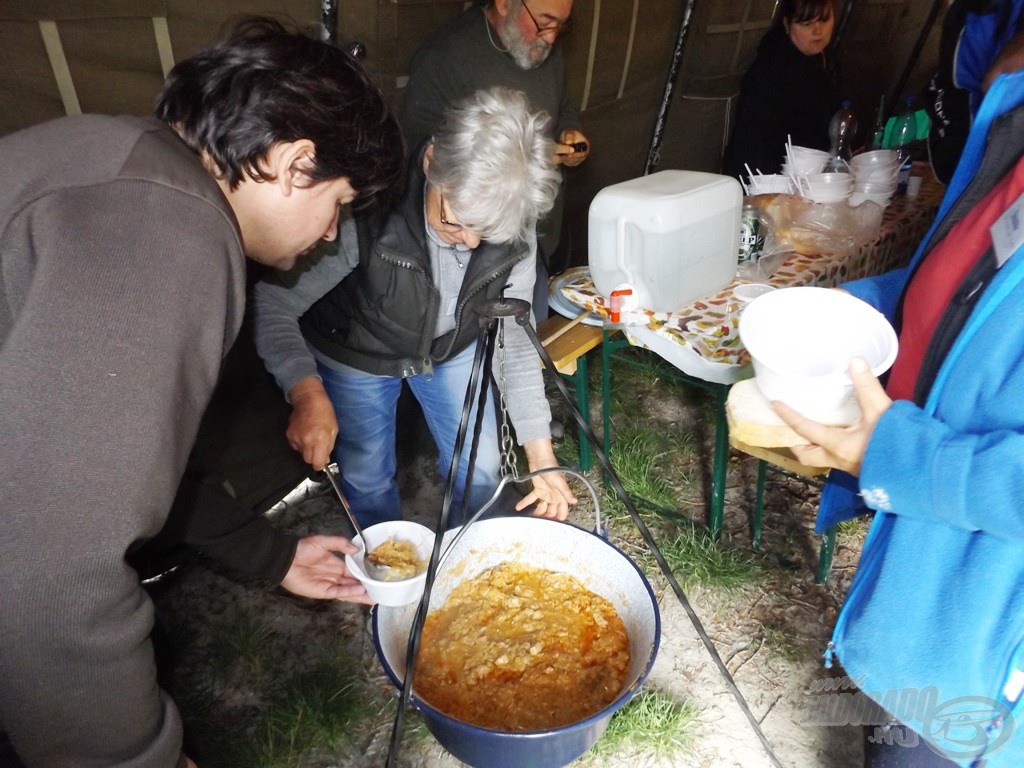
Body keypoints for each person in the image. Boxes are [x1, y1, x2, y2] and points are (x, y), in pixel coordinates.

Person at [0, 16, 404, 768]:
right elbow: (50, 573)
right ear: (293, 162)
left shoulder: (115, 159)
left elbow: (114, 468)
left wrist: (269, 553)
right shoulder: (172, 232)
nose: (327, 235)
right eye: (338, 203)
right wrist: (131, 756)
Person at [774, 69, 1024, 767]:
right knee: (879, 727)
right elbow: (949, 289)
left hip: (981, 639)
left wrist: (894, 455)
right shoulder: (1011, 118)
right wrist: (830, 317)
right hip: (916, 556)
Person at [253, 86, 578, 531]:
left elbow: (514, 341)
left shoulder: (511, 215)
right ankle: (389, 586)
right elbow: (272, 304)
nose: (470, 244)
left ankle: (472, 561)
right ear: (430, 165)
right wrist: (306, 393)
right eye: (455, 221)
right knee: (367, 477)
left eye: (488, 232)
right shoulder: (363, 207)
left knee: (482, 469)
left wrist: (541, 457)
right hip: (358, 353)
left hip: (452, 348)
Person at [401, 0, 589, 320]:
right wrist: (511, 159)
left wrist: (571, 131)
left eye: (561, 24)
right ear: (504, 4)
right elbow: (421, 150)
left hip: (535, 239)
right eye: (544, 22)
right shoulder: (446, 58)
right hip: (470, 249)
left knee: (523, 335)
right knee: (469, 348)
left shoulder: (543, 50)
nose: (552, 37)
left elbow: (564, 104)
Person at [722, 0, 839, 179]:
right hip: (773, 181)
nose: (818, 31)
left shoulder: (825, 59)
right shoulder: (771, 72)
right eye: (806, 24)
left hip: (810, 176)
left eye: (824, 20)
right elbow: (751, 148)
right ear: (786, 24)